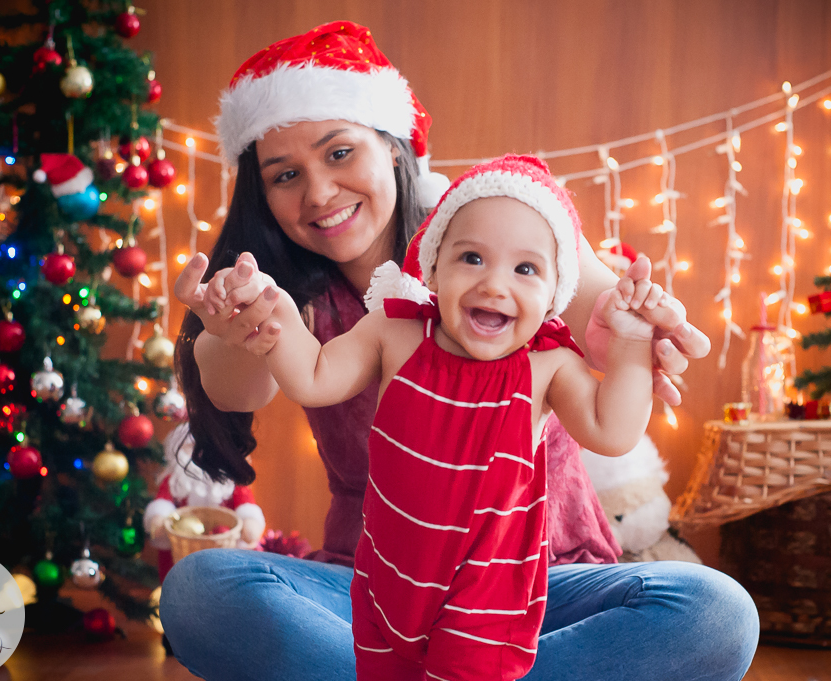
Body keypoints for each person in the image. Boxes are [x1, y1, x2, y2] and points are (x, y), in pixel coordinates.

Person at [162, 20, 758, 681]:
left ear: (393, 146)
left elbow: (604, 319)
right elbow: (245, 384)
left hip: (540, 579)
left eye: (339, 153)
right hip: (383, 596)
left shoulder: (497, 220)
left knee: (717, 612)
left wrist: (641, 329)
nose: (319, 193)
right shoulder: (362, 317)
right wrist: (245, 318)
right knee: (198, 590)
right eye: (285, 175)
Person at [238, 154, 657, 680]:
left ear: (555, 295)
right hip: (385, 581)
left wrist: (634, 343)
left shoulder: (547, 367)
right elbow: (314, 376)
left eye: (525, 269)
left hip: (485, 594)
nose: (494, 285)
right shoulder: (394, 332)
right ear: (433, 266)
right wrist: (273, 307)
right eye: (472, 258)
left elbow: (613, 433)